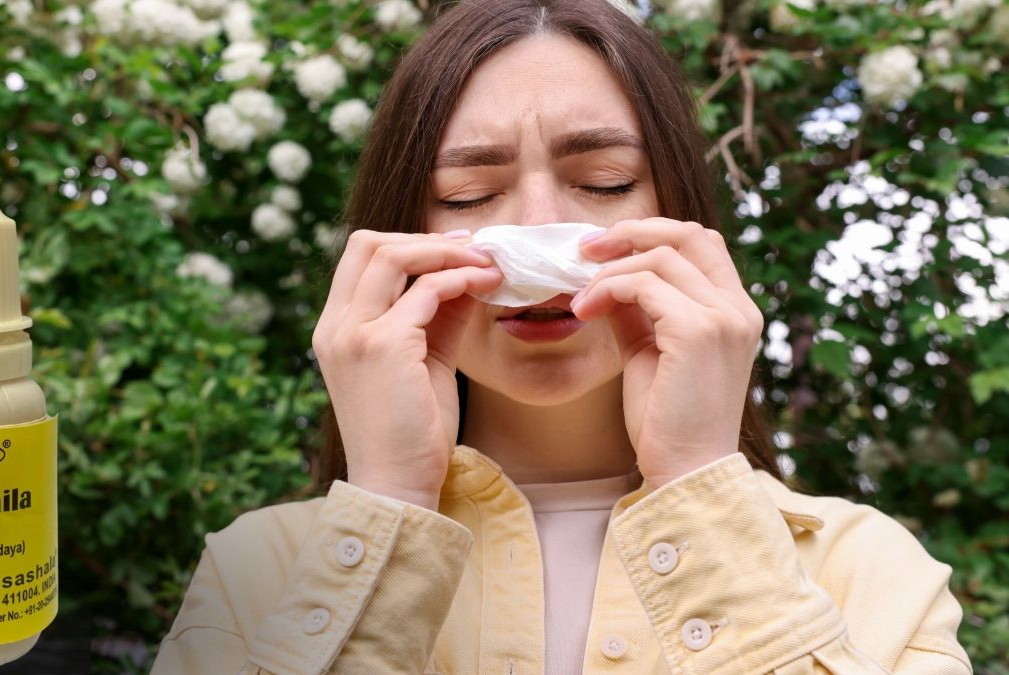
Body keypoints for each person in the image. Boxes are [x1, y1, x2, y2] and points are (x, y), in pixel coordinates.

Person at [150, 0, 973, 673]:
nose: (542, 232)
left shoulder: (866, 568)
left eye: (603, 183)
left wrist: (694, 478)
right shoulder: (259, 573)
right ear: (400, 231)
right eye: (469, 195)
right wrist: (393, 490)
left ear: (680, 211)